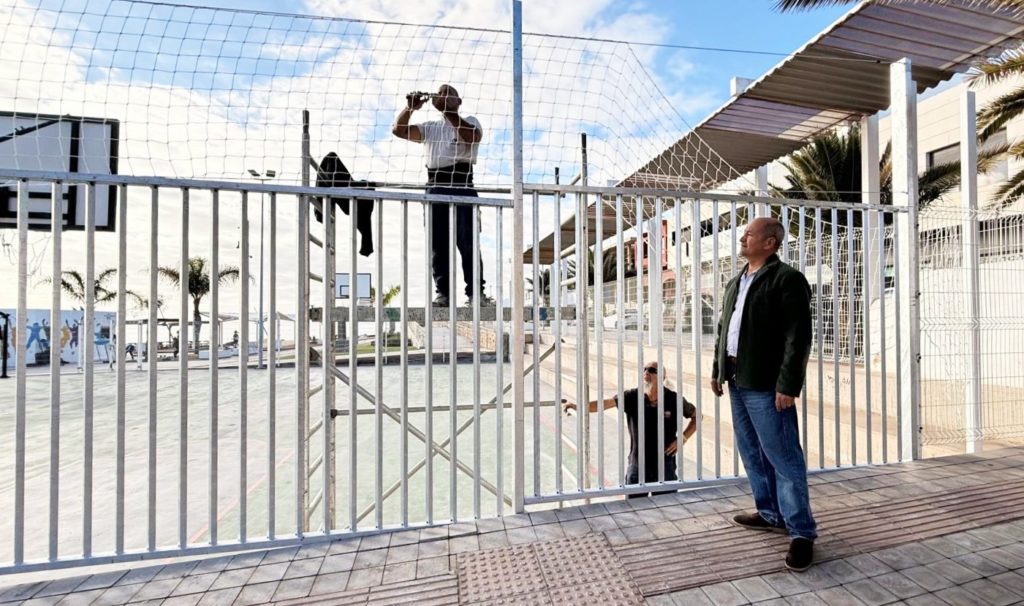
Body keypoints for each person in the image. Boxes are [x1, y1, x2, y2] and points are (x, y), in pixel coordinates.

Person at [710, 216, 816, 572]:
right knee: (752, 453)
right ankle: (770, 513)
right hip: (737, 379)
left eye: (749, 234)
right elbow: (724, 330)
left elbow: (798, 337)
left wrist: (787, 385)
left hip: (767, 385)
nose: (743, 238)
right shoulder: (735, 282)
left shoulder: (787, 279)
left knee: (784, 457)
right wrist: (717, 371)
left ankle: (801, 532)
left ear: (770, 243)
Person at [392, 84, 492, 308]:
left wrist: (446, 111)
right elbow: (399, 130)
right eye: (441, 92)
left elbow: (471, 138)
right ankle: (443, 294)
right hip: (435, 186)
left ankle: (476, 293)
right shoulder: (431, 127)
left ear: (459, 101)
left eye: (449, 93)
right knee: (438, 245)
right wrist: (410, 108)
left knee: (468, 242)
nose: (444, 95)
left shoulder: (471, 121)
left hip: (462, 185)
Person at [562, 361, 698, 497]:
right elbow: (604, 404)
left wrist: (682, 439)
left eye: (652, 370)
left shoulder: (674, 399)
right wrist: (577, 406)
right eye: (644, 369)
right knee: (633, 506)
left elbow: (697, 417)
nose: (646, 372)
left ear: (662, 377)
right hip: (637, 465)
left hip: (665, 465)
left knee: (667, 506)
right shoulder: (632, 396)